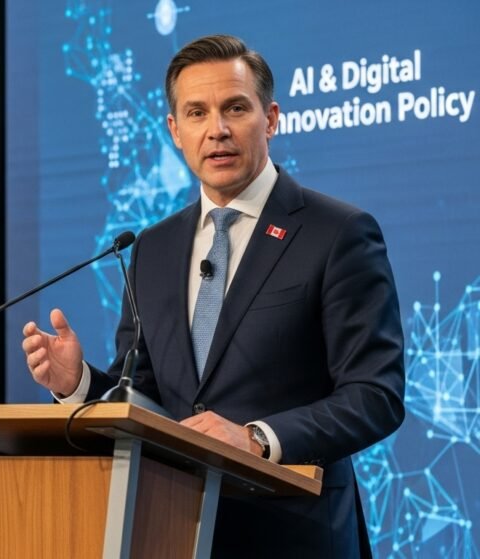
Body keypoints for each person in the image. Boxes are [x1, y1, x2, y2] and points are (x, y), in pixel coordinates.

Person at [21, 34, 405, 558]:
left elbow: (375, 395)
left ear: (270, 119)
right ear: (176, 131)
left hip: (296, 535)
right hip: (172, 531)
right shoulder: (153, 247)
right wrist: (80, 383)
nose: (217, 130)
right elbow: (146, 395)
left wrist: (256, 439)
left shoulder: (338, 233)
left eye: (235, 108)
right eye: (197, 113)